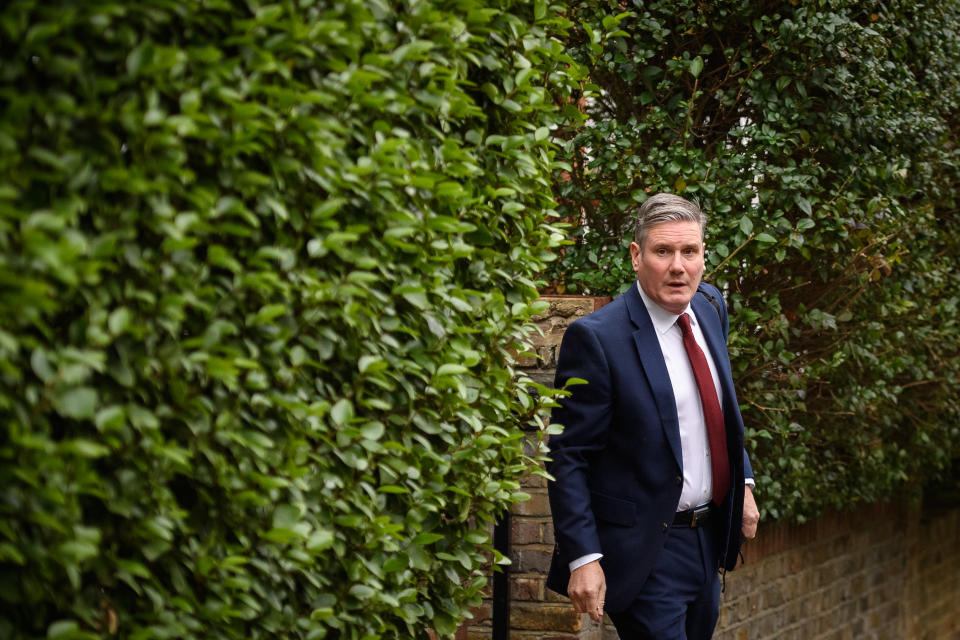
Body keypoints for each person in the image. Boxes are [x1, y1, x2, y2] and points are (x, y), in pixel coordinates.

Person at [546, 193, 760, 639]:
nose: (678, 266)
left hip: (708, 541)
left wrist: (744, 483)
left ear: (704, 255)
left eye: (690, 251)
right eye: (663, 252)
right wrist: (583, 557)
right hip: (647, 550)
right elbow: (568, 455)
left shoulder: (710, 307)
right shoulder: (598, 339)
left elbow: (719, 409)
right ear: (636, 255)